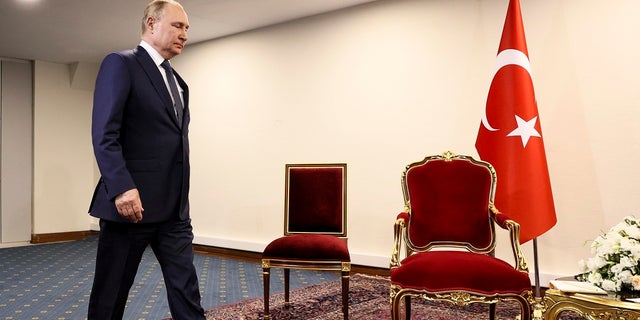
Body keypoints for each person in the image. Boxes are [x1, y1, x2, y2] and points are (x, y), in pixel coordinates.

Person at [87, 0, 205, 319]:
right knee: (110, 296)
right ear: (151, 24)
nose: (184, 34)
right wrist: (123, 188)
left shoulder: (179, 83)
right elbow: (104, 134)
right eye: (178, 26)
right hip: (131, 208)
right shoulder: (121, 64)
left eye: (187, 29)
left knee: (187, 291)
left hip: (175, 211)